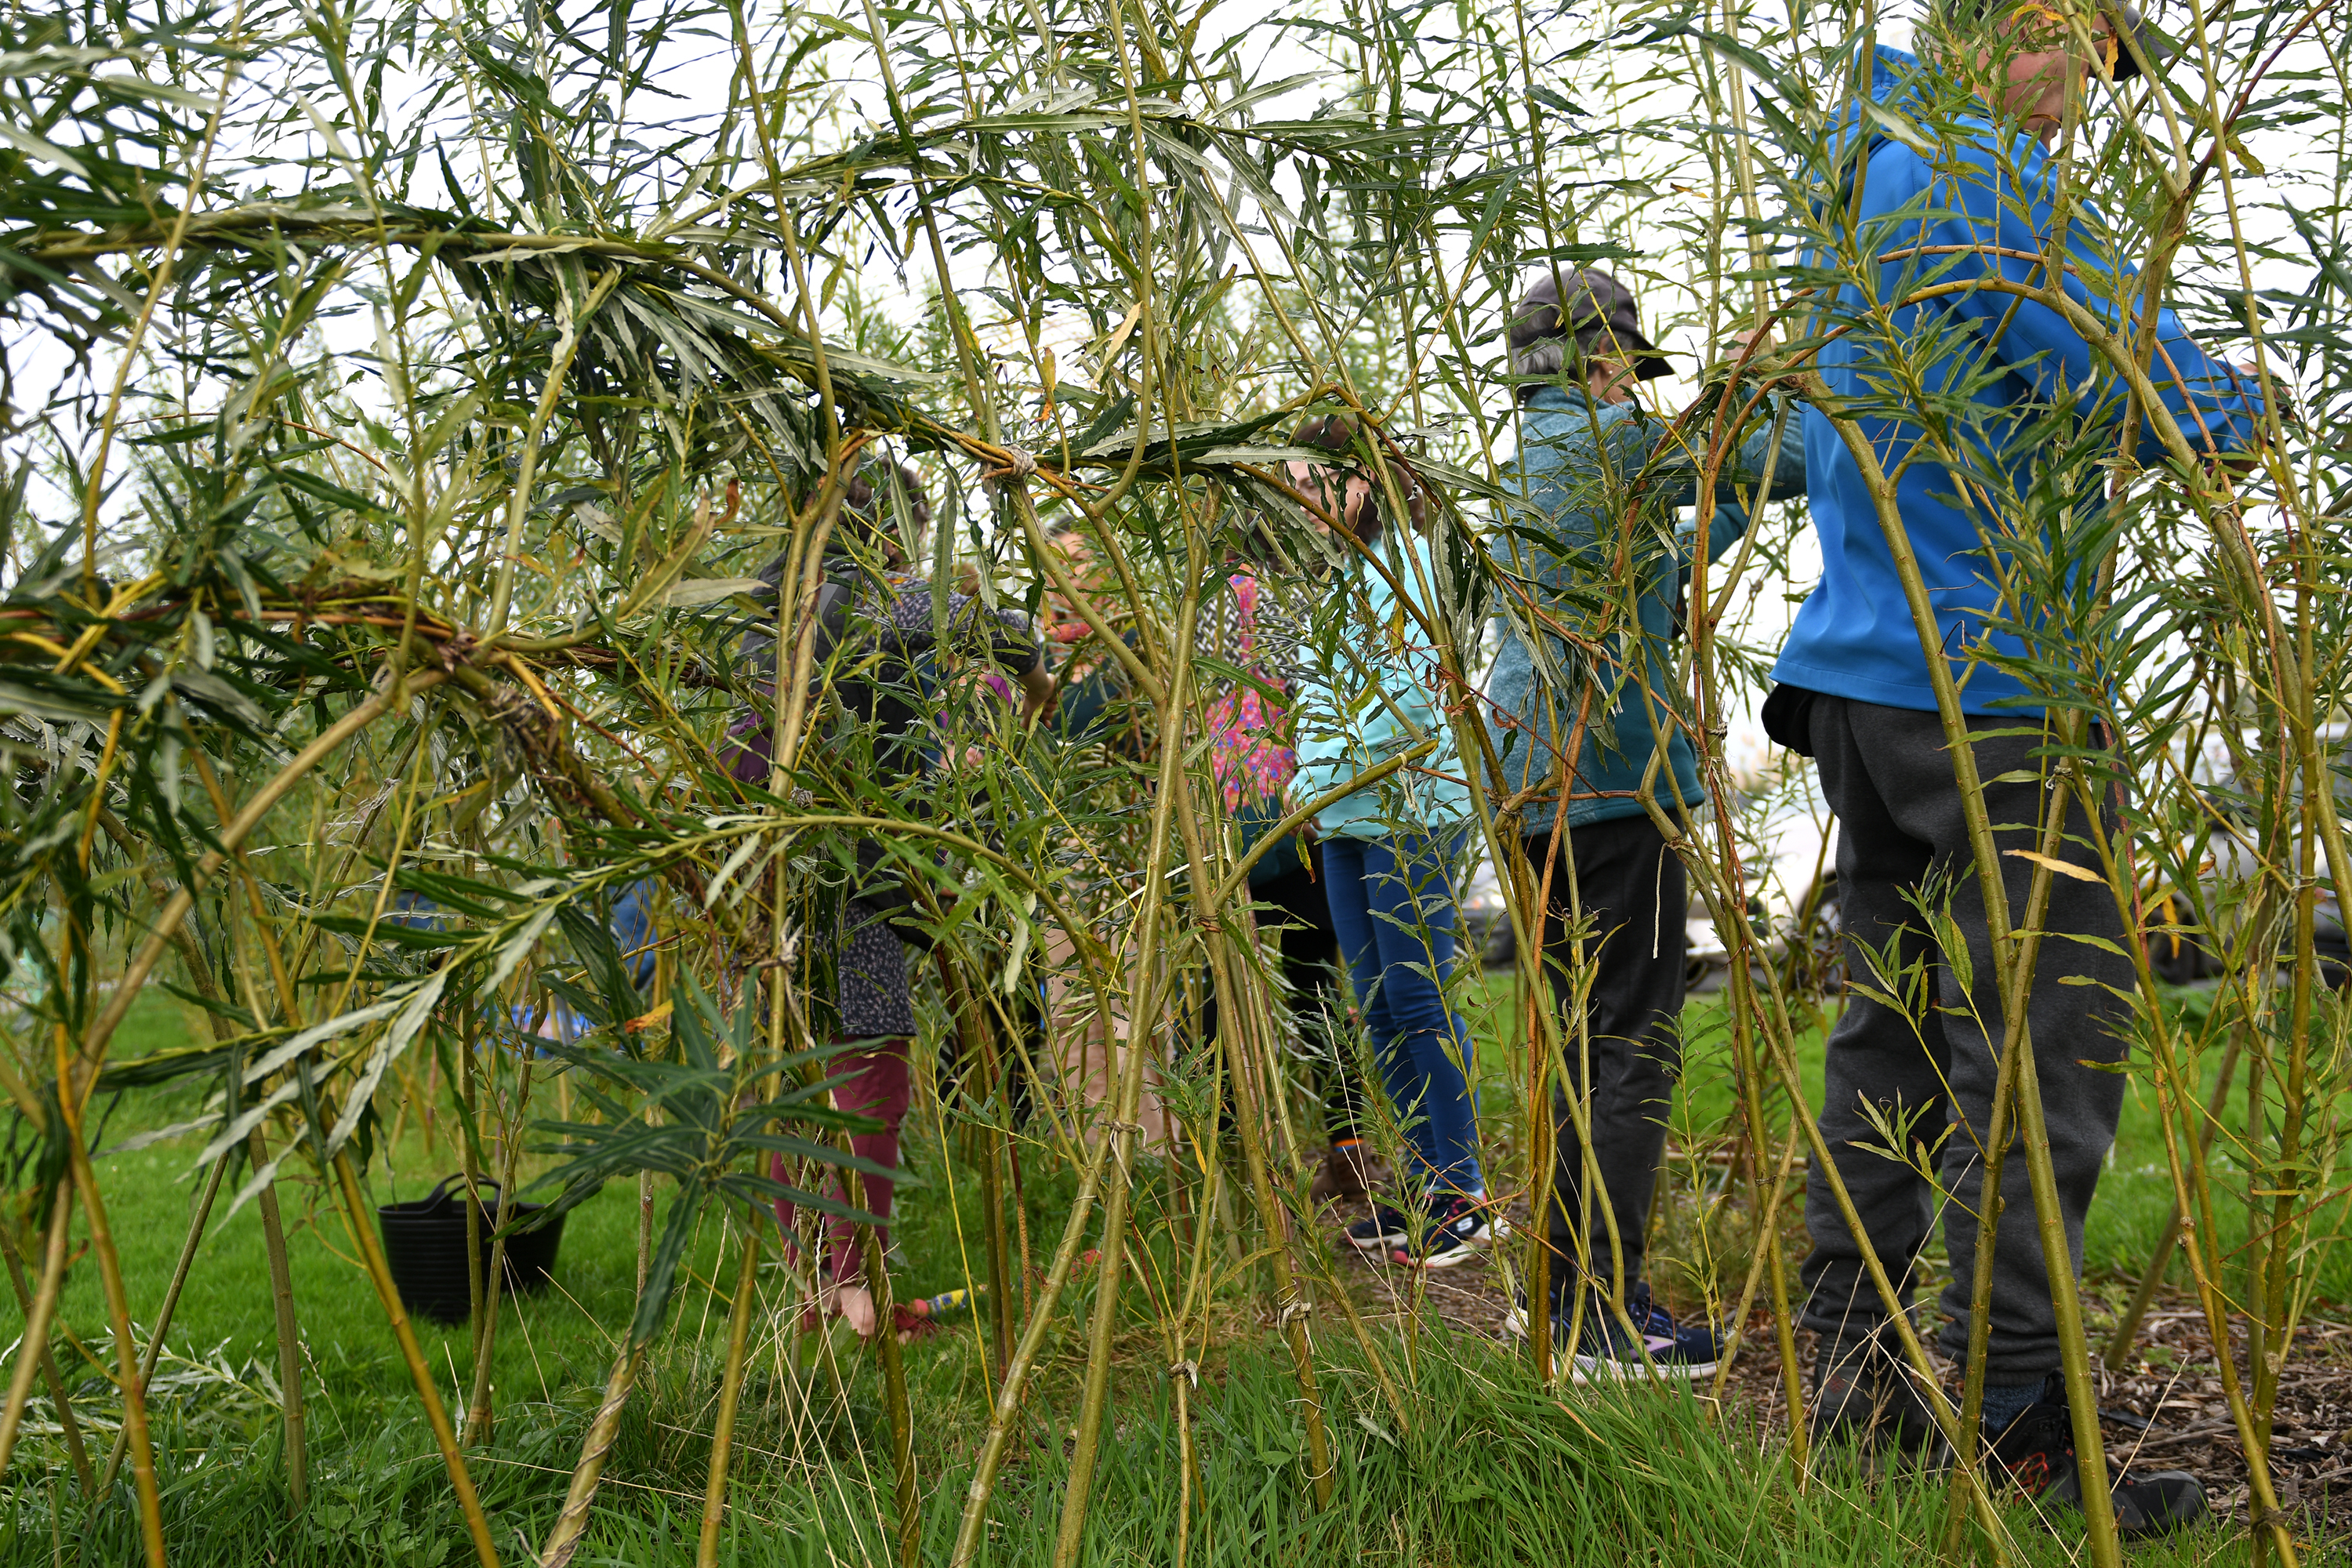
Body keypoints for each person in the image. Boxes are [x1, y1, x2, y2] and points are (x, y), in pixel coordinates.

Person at [1762, 3, 2265, 1533]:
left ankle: (1846, 1389)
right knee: (2044, 1047)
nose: (2083, 104)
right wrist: (2258, 405)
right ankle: (2017, 1427)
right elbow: (2161, 392)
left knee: (1894, 1038)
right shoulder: (1979, 177)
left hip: (1859, 675)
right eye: (2085, 59)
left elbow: (1797, 429)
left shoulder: (1853, 179)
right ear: (2021, 23)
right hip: (1992, 684)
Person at [1484, 267, 1806, 1375]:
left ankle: (1561, 1293)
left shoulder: (1537, 462)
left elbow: (1660, 556)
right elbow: (1788, 459)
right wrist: (1773, 384)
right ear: (1607, 363)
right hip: (1614, 786)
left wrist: (1717, 459)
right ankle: (1604, 1316)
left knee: (1582, 1039)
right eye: (1629, 369)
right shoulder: (1610, 445)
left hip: (1541, 790)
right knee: (1634, 1042)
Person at [725, 456, 1053, 1338]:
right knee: (869, 1058)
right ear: (896, 531)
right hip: (847, 862)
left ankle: (813, 1283)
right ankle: (857, 1288)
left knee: (786, 1064)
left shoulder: (760, 598)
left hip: (752, 866)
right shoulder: (882, 595)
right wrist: (1039, 678)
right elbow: (996, 624)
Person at [1284, 412, 1492, 1268]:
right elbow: (1317, 699)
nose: (1299, 498)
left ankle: (1463, 1192)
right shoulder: (1339, 575)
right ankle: (1419, 1186)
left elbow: (1406, 697)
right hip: (1343, 817)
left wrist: (1326, 774)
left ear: (1362, 478)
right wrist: (1310, 784)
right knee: (1374, 1005)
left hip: (1408, 808)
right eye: (1293, 482)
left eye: (1311, 479)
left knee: (1417, 999)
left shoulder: (1407, 563)